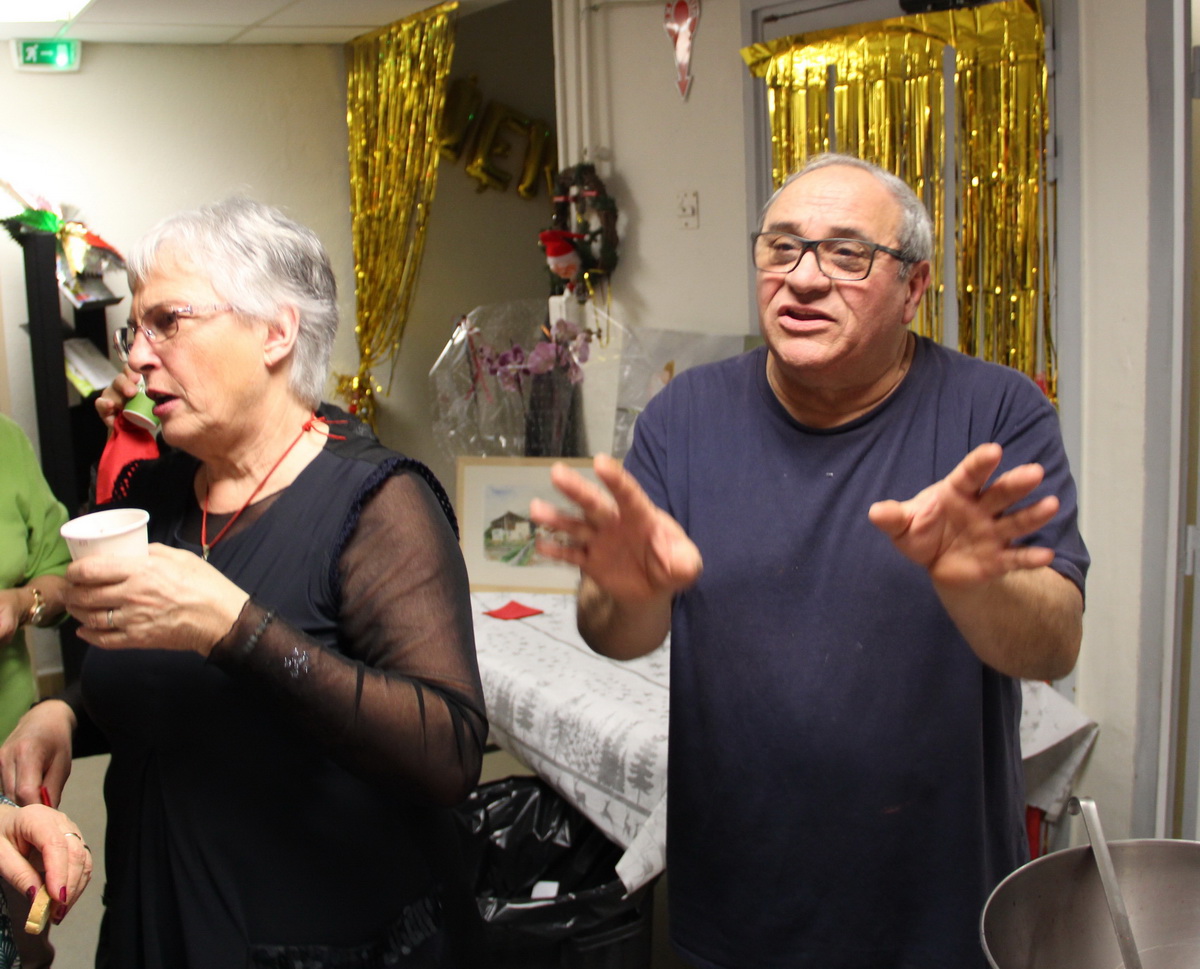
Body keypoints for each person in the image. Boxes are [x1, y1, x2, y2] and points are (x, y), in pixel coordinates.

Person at [530, 153, 1088, 969]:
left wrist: (981, 583)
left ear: (914, 286)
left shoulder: (994, 413)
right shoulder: (685, 416)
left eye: (847, 254)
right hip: (737, 909)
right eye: (782, 247)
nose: (803, 278)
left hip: (935, 911)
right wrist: (625, 592)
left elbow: (1053, 644)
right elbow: (617, 634)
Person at [0, 198, 488, 968]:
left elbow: (450, 753)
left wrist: (236, 627)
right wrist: (66, 713)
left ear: (275, 332)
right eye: (135, 329)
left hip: (314, 942)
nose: (140, 356)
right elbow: (167, 686)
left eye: (169, 321)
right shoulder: (155, 496)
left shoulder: (378, 504)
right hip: (156, 922)